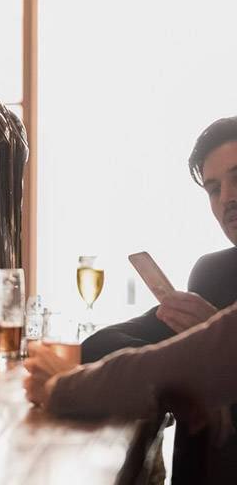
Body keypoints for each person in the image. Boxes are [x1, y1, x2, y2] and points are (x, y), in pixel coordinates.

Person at [26, 115, 237, 484]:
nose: (228, 198)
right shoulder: (215, 274)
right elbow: (100, 345)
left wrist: (62, 386)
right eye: (214, 188)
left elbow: (164, 371)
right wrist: (195, 349)